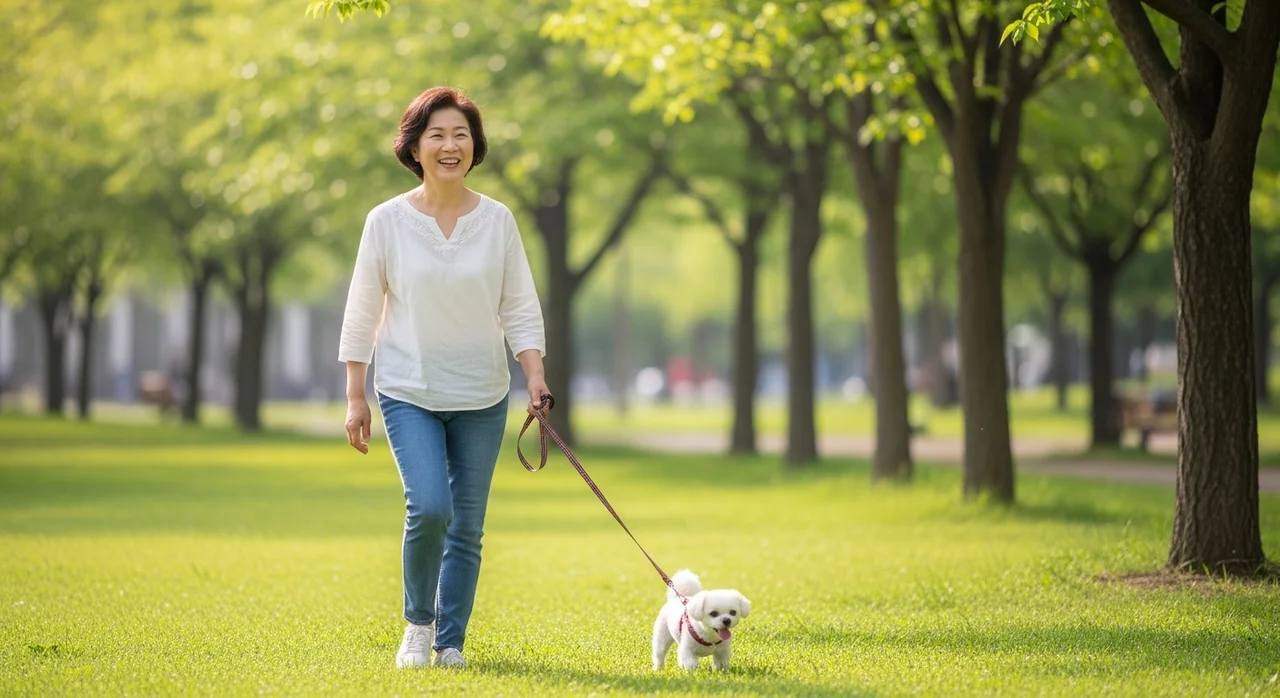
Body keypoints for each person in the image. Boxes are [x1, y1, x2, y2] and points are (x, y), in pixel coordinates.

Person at [338, 86, 550, 670]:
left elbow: (519, 306)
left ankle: (451, 642)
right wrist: (356, 396)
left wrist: (535, 375)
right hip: (408, 390)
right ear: (415, 146)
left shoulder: (498, 220)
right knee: (430, 506)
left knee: (468, 524)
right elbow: (361, 310)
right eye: (437, 134)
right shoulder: (386, 221)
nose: (450, 145)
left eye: (460, 134)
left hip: (483, 394)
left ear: (474, 146)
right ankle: (417, 626)